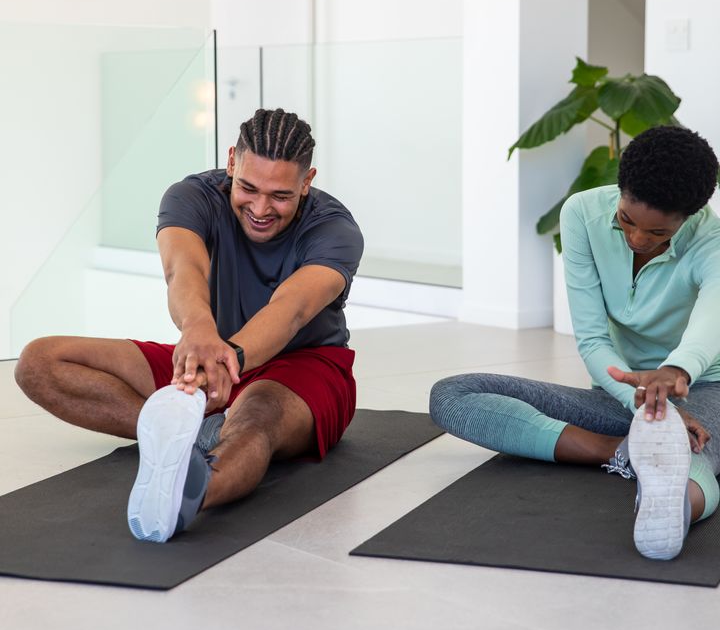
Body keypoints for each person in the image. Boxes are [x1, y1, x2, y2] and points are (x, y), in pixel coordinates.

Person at [15, 107, 364, 543]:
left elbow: (290, 309)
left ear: (306, 181)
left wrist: (228, 357)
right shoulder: (190, 196)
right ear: (232, 160)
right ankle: (186, 435)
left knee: (255, 419)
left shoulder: (335, 228)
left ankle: (185, 494)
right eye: (248, 188)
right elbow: (184, 271)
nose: (260, 208)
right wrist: (199, 331)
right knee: (39, 362)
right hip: (210, 349)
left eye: (280, 196)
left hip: (303, 366)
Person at [430, 125, 720, 561]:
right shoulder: (582, 213)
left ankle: (674, 505)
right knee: (453, 395)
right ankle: (625, 453)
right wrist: (648, 406)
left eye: (659, 234)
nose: (638, 239)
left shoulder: (712, 241)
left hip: (706, 392)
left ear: (690, 217)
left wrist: (676, 375)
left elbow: (710, 324)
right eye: (627, 220)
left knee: (690, 446)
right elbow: (591, 339)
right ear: (620, 191)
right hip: (622, 393)